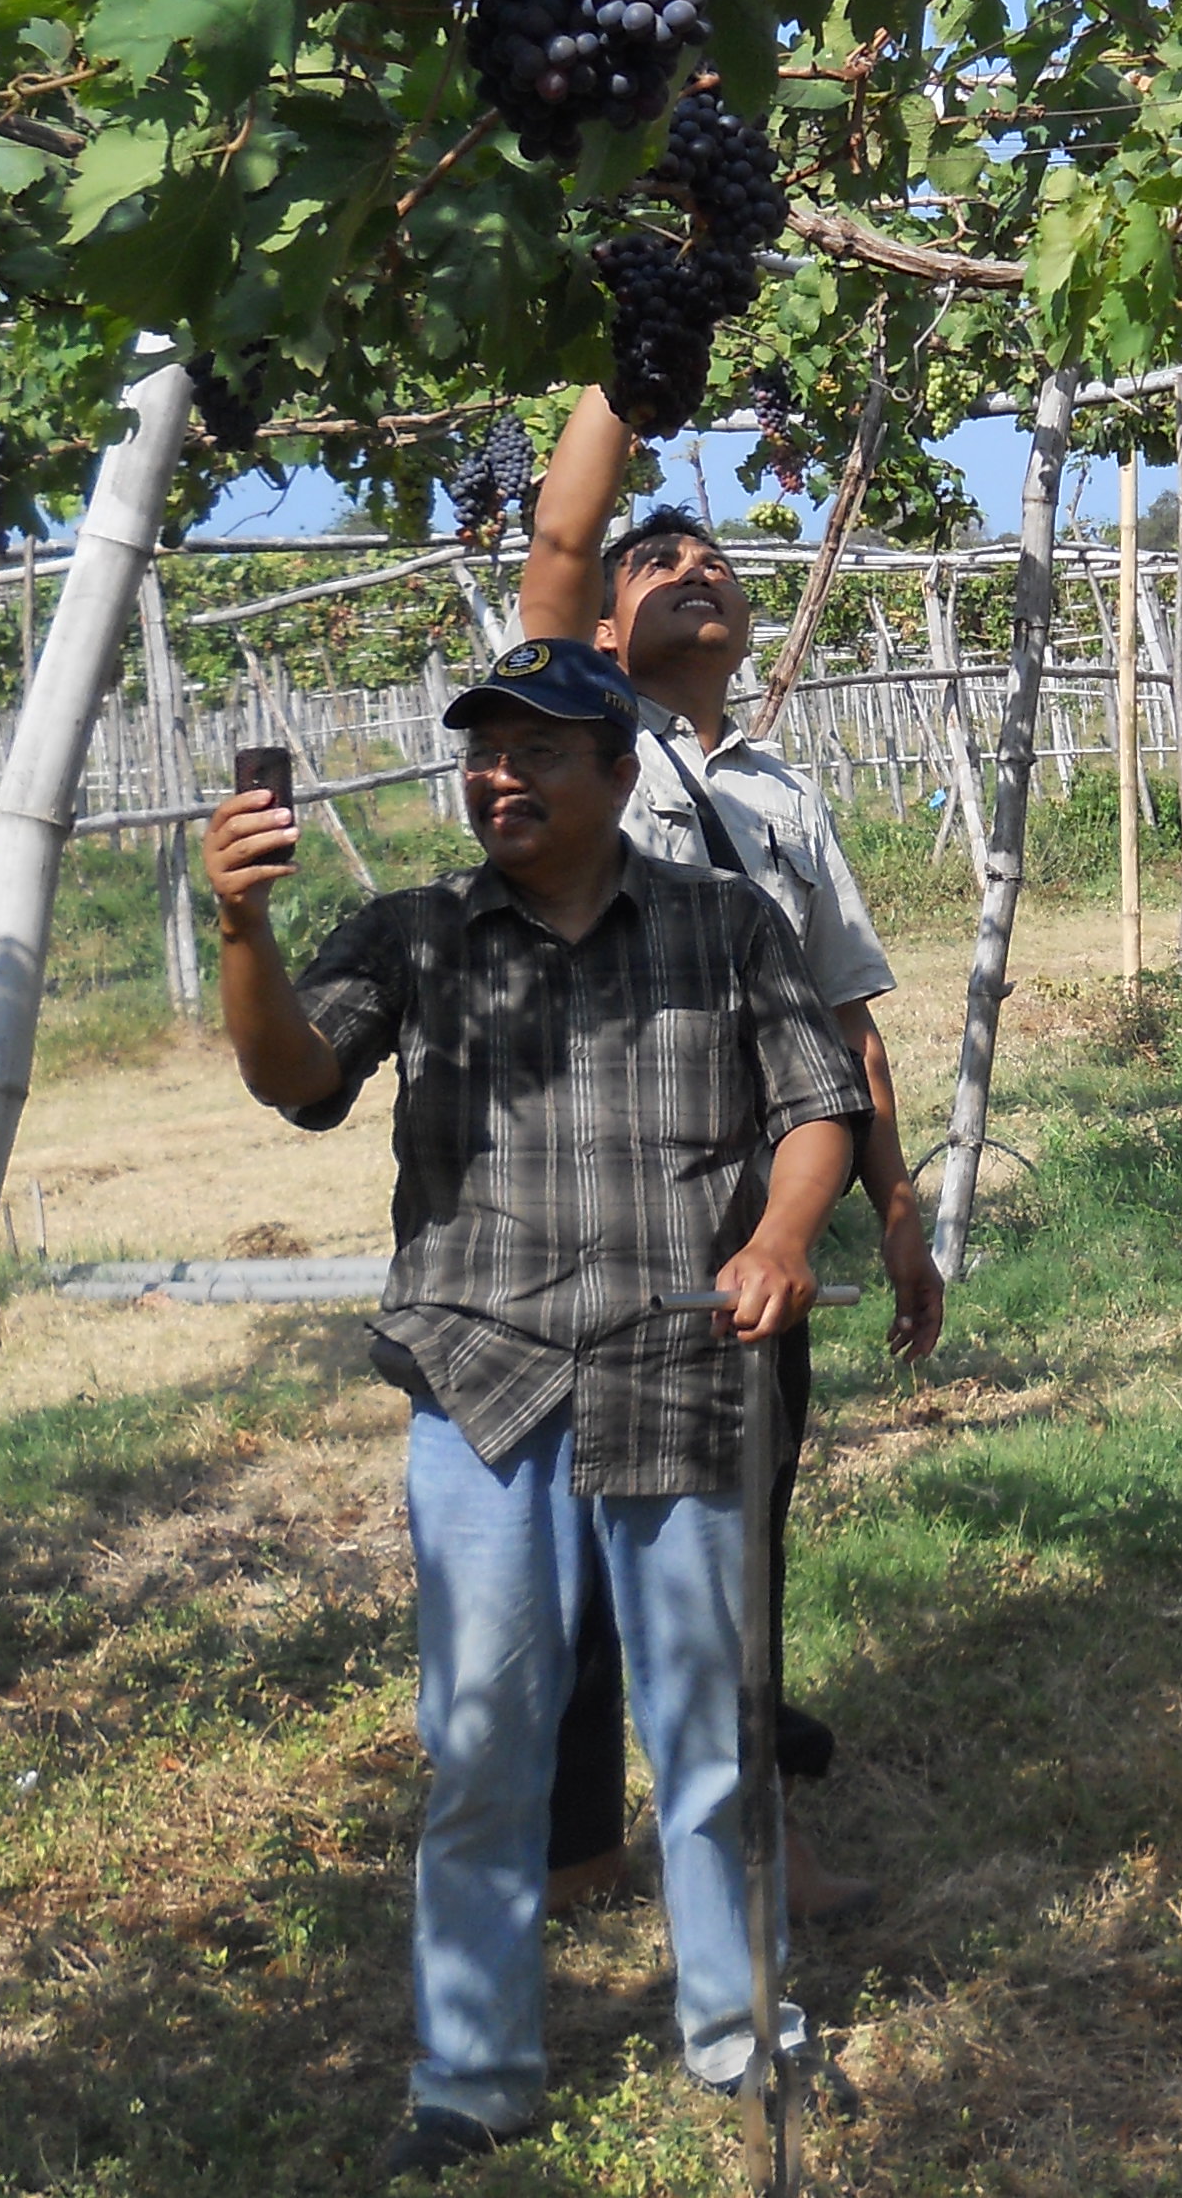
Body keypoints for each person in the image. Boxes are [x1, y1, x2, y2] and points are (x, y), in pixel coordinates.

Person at [202, 639, 870, 2180]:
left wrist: (780, 1238)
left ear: (619, 777)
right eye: (483, 752)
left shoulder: (721, 926)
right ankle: (474, 2074)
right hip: (484, 1383)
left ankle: (739, 2028)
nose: (501, 775)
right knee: (484, 1738)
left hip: (676, 1365)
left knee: (706, 1731)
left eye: (539, 752)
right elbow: (294, 1076)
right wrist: (242, 921)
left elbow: (819, 1103)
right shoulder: (419, 936)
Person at [512, 390, 940, 1923]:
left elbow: (849, 1026)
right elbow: (560, 541)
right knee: (580, 1551)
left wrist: (896, 1209)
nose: (690, 559)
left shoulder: (780, 793)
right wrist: (633, 368)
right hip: (605, 1215)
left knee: (740, 1542)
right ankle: (574, 1856)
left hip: (767, 1224)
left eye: (711, 551)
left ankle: (764, 1846)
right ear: (603, 639)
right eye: (655, 557)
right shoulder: (577, 739)